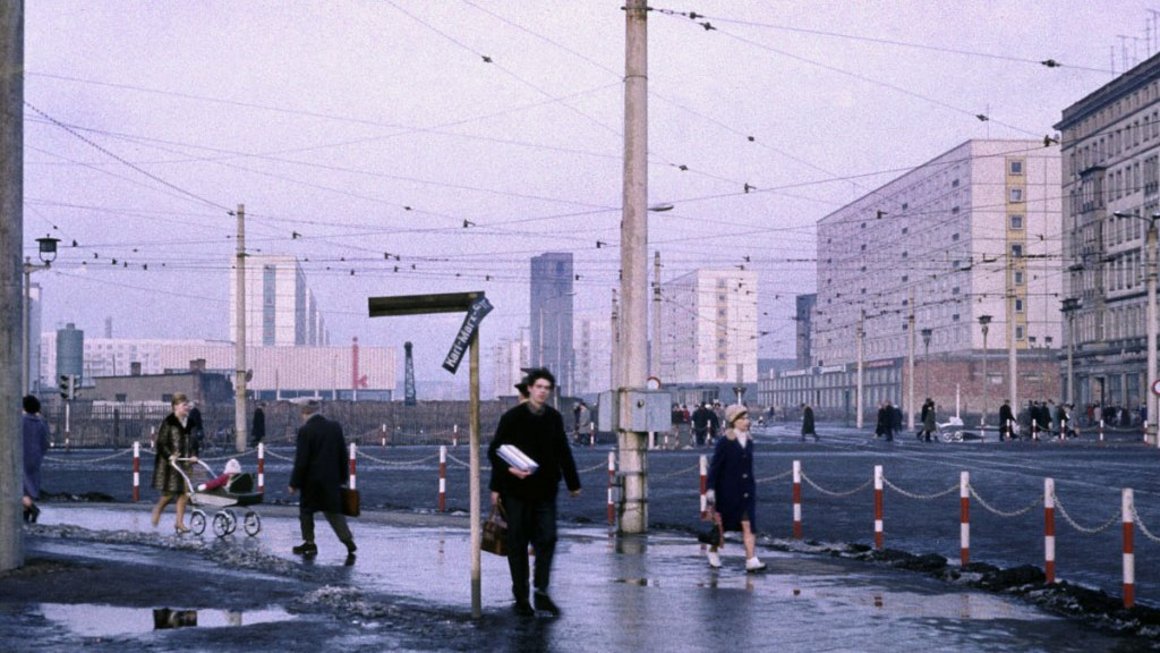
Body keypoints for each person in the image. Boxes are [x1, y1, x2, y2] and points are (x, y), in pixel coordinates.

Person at [488, 368, 581, 617]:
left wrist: (573, 482)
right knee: (517, 543)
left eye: (547, 388)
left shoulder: (553, 418)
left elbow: (562, 450)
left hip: (545, 490)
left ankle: (541, 592)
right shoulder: (512, 418)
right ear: (529, 388)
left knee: (548, 538)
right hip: (516, 491)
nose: (542, 392)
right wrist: (499, 483)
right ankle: (521, 596)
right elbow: (496, 451)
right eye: (539, 387)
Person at [289, 399, 357, 563]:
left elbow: (302, 460)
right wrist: (343, 477)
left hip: (311, 482)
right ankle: (348, 542)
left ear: (305, 413)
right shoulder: (335, 427)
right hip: (332, 480)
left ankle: (309, 543)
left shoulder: (306, 431)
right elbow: (342, 454)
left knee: (306, 512)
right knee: (334, 512)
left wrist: (294, 483)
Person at [705, 404, 766, 572]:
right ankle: (713, 550)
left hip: (747, 491)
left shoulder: (750, 440)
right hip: (728, 491)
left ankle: (751, 560)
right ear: (734, 421)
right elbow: (715, 467)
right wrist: (710, 489)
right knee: (723, 526)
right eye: (743, 418)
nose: (747, 421)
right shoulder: (725, 442)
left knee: (748, 525)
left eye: (747, 418)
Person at [151, 393, 197, 533]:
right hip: (170, 464)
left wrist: (194, 455)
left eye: (187, 405)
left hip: (185, 461)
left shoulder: (190, 423)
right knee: (170, 493)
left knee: (184, 492)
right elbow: (161, 443)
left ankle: (179, 522)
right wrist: (169, 456)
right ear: (175, 407)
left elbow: (194, 441)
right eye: (184, 405)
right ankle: (159, 508)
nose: (187, 407)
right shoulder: (168, 422)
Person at [22, 395, 50, 523]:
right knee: (30, 485)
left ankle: (31, 508)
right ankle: (26, 516)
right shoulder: (42, 422)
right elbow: (45, 442)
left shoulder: (21, 421)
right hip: (36, 457)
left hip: (21, 456)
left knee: (18, 486)